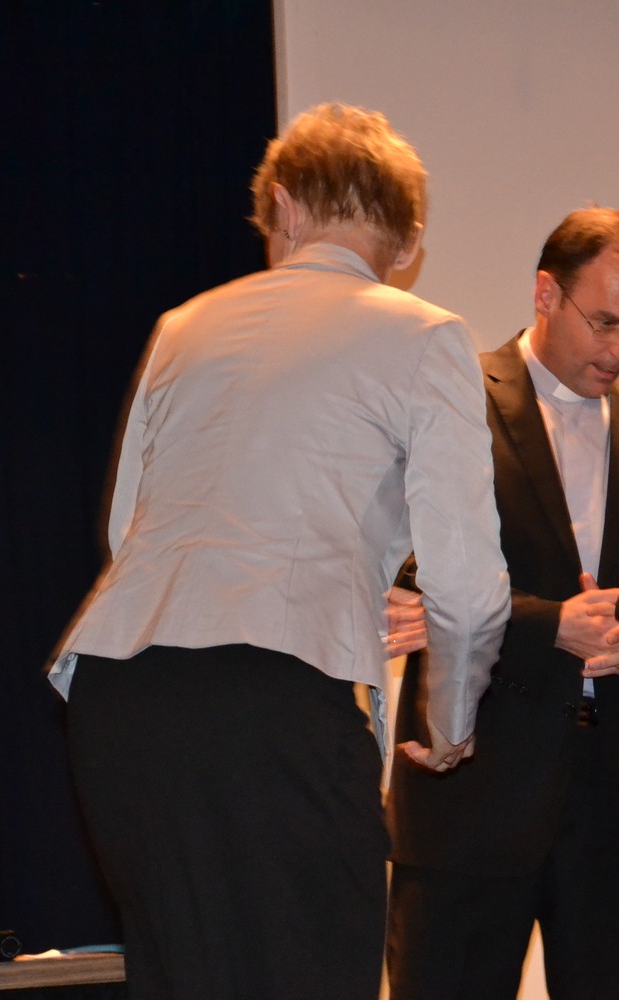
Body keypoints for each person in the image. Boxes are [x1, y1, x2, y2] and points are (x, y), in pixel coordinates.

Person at [47, 103, 510, 1000]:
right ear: (409, 242)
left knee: (181, 979)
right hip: (273, 707)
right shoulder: (424, 334)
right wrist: (451, 724)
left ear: (285, 208)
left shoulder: (182, 325)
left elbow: (124, 531)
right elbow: (466, 582)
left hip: (119, 700)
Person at [385, 207, 619, 1000]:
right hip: (468, 789)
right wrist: (552, 626)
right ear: (546, 293)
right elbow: (406, 571)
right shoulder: (450, 400)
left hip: (617, 808)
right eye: (606, 323)